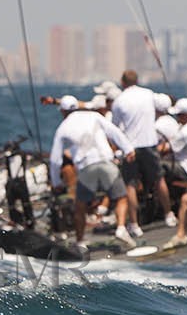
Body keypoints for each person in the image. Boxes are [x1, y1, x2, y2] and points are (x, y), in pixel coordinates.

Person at [48, 95, 136, 251]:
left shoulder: (63, 128)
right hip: (106, 162)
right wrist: (128, 149)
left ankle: (80, 241)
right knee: (121, 197)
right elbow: (114, 132)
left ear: (62, 111)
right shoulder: (94, 116)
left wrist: (56, 183)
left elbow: (55, 159)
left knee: (80, 206)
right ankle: (121, 228)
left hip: (86, 167)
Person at [110, 70, 176, 229]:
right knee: (159, 179)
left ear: (122, 82)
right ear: (137, 80)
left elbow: (114, 127)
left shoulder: (119, 100)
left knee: (130, 185)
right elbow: (165, 103)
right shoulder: (148, 94)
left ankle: (134, 224)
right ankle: (169, 215)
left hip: (130, 148)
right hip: (149, 144)